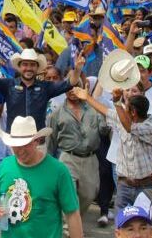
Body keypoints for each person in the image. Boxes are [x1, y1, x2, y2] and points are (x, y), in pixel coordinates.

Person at [0, 116, 82, 238]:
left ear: (37, 141)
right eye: (16, 146)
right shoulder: (5, 165)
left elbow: (72, 214)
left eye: (25, 145)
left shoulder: (58, 171)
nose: (20, 151)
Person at [0, 47, 78, 130]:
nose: (29, 68)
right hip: (14, 141)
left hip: (37, 141)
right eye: (25, 64)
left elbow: (70, 83)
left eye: (32, 65)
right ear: (19, 67)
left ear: (37, 67)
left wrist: (77, 69)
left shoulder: (46, 87)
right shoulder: (9, 85)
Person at [47, 85, 108, 217]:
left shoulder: (94, 109)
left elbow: (104, 130)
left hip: (90, 158)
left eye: (76, 87)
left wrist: (103, 114)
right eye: (68, 87)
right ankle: (68, 228)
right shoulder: (56, 114)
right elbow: (50, 141)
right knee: (69, 194)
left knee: (89, 194)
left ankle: (75, 222)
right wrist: (47, 164)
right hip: (68, 158)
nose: (72, 91)